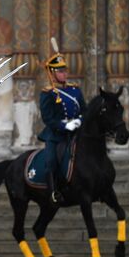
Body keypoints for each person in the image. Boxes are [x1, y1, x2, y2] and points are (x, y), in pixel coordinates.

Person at [39, 43, 86, 204]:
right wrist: (64, 125)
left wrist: (79, 120)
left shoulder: (75, 90)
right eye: (60, 71)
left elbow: (84, 110)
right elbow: (47, 118)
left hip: (76, 133)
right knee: (51, 161)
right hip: (56, 135)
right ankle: (53, 192)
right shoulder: (48, 93)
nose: (64, 73)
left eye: (65, 70)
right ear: (52, 73)